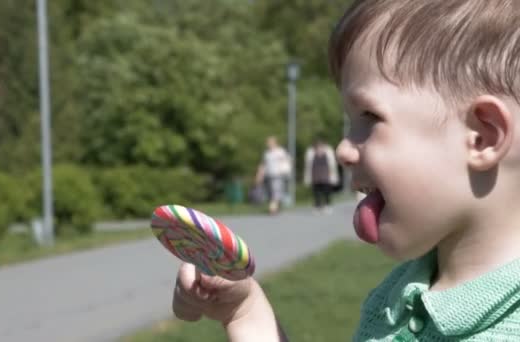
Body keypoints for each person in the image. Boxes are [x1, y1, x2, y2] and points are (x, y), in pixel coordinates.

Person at [169, 1, 520, 340]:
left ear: (481, 136)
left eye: (370, 117)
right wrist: (245, 315)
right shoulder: (397, 297)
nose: (342, 149)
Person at [255, 136, 292, 215]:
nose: (269, 144)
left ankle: (273, 209)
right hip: (269, 176)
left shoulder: (280, 152)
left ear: (275, 143)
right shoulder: (267, 153)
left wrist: (285, 171)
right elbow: (263, 165)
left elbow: (287, 161)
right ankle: (276, 206)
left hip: (278, 175)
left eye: (270, 142)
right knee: (270, 193)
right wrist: (259, 175)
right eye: (268, 142)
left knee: (276, 192)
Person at [303, 138, 339, 214]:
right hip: (315, 176)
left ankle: (327, 205)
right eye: (317, 146)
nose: (319, 148)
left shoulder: (328, 152)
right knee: (316, 192)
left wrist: (334, 176)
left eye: (320, 146)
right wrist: (307, 178)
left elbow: (332, 165)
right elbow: (308, 166)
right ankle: (317, 206)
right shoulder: (311, 153)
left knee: (327, 191)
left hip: (326, 176)